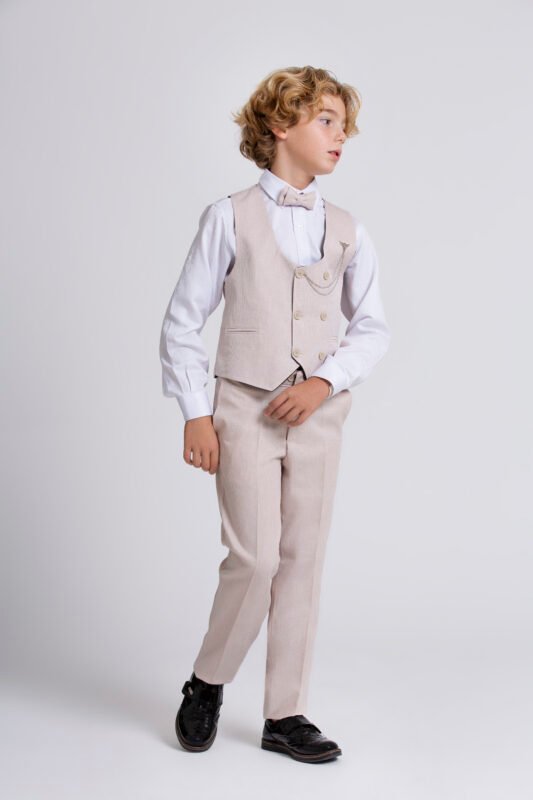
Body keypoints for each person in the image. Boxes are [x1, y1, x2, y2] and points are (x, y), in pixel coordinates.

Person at [159, 65, 391, 763]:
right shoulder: (228, 217)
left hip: (318, 414)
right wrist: (196, 412)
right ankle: (207, 680)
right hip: (241, 406)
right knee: (254, 558)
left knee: (301, 562)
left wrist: (323, 383)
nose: (341, 135)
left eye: (344, 123)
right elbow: (183, 321)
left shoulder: (348, 229)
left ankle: (284, 713)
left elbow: (372, 329)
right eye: (326, 120)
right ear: (280, 126)